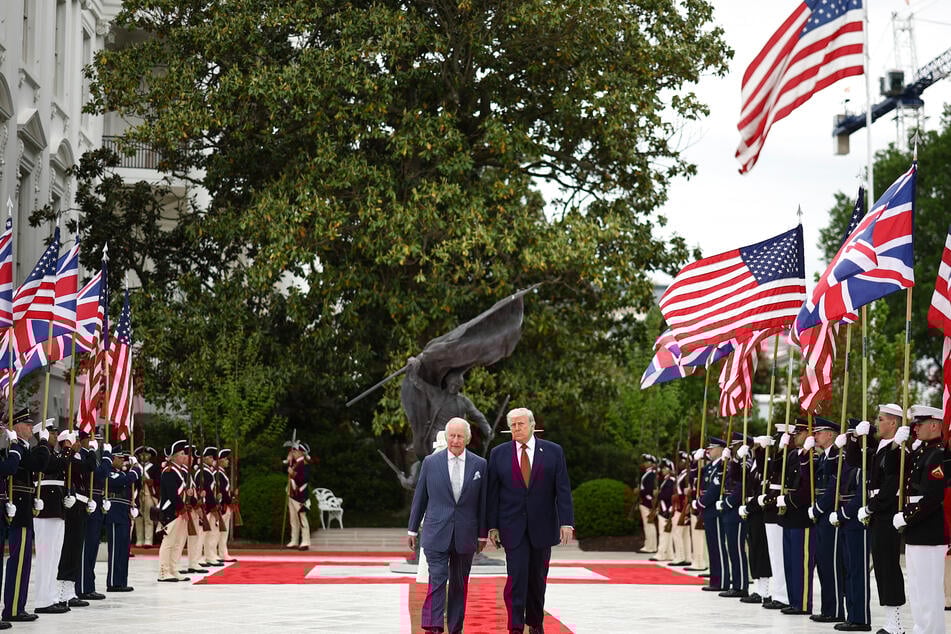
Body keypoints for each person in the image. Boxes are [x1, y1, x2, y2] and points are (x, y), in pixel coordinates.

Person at [486, 407, 573, 634]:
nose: (516, 428)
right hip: (512, 528)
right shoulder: (498, 454)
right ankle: (515, 626)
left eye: (520, 424)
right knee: (516, 579)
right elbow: (492, 493)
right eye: (512, 425)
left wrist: (567, 522)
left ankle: (535, 623)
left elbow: (562, 490)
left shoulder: (553, 452)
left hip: (543, 527)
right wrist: (492, 526)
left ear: (532, 425)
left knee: (537, 580)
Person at [407, 418, 487, 633]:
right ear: (446, 437)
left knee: (460, 585)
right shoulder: (431, 463)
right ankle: (433, 627)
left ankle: (455, 628)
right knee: (438, 578)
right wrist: (412, 529)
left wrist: (482, 535)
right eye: (452, 435)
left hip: (466, 534)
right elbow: (420, 498)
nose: (455, 440)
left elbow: (483, 503)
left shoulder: (480, 465)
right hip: (436, 532)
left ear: (467, 439)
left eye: (460, 436)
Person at [893, 405, 946, 634]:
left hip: (929, 531)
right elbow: (895, 471)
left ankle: (931, 630)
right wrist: (897, 446)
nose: (915, 428)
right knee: (916, 587)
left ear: (934, 425)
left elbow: (934, 497)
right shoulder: (922, 452)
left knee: (929, 590)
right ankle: (921, 628)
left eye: (919, 424)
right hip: (917, 530)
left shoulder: (938, 455)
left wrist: (907, 516)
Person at [855, 404, 906, 634]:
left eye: (880, 418)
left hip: (886, 511)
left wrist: (871, 507)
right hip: (878, 511)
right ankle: (889, 622)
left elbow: (891, 485)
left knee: (889, 567)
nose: (876, 422)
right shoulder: (881, 446)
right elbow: (855, 461)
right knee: (882, 568)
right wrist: (857, 438)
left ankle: (896, 624)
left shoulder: (898, 448)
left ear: (893, 423)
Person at [3, 409, 51, 623]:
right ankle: (13, 608)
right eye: (28, 425)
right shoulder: (11, 447)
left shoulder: (21, 447)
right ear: (16, 427)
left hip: (24, 505)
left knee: (24, 562)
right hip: (17, 507)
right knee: (18, 561)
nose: (32, 428)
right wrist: (43, 444)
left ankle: (18, 606)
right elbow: (37, 464)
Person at [807, 416, 845, 624]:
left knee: (832, 564)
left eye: (819, 432)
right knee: (822, 563)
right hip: (820, 516)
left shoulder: (838, 455)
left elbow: (834, 487)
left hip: (830, 515)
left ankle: (837, 610)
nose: (815, 436)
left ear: (830, 434)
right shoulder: (823, 456)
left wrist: (819, 508)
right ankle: (828, 608)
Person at [33, 425, 71, 615]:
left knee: (54, 555)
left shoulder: (51, 453)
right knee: (46, 557)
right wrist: (67, 448)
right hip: (46, 508)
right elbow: (55, 466)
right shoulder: (42, 453)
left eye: (56, 433)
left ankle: (51, 596)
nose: (55, 436)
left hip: (56, 507)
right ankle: (42, 599)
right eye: (52, 433)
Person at [55, 429, 95, 610]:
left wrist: (88, 499)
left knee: (76, 549)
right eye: (76, 440)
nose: (80, 443)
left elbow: (90, 471)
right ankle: (63, 592)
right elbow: (88, 467)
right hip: (71, 507)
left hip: (79, 505)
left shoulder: (76, 458)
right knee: (69, 550)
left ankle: (70, 591)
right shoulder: (67, 458)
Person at [76, 430, 112, 601]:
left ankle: (89, 585)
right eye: (93, 439)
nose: (96, 443)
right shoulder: (82, 456)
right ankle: (82, 586)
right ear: (83, 440)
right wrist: (107, 456)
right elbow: (100, 474)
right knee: (86, 548)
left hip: (96, 503)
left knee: (92, 549)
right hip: (86, 505)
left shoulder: (91, 456)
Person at [695, 437, 727, 592]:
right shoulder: (709, 467)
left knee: (718, 547)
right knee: (712, 547)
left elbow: (715, 488)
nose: (709, 451)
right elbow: (696, 479)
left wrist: (701, 503)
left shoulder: (723, 465)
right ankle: (715, 579)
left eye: (712, 448)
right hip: (708, 512)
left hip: (715, 511)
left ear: (721, 449)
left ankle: (721, 581)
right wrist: (696, 463)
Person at [105, 450, 140, 592]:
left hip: (124, 512)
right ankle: (113, 582)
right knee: (115, 550)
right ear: (113, 458)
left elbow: (133, 483)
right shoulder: (110, 472)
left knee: (124, 550)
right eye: (119, 458)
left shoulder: (124, 473)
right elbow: (122, 481)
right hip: (114, 513)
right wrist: (136, 468)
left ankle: (121, 581)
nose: (122, 461)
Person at [157, 440, 191, 582]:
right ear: (174, 457)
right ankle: (164, 572)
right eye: (182, 454)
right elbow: (172, 494)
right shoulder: (169, 472)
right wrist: (182, 509)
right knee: (169, 542)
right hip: (171, 511)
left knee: (178, 543)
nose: (185, 456)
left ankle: (173, 569)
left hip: (179, 511)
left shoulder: (180, 472)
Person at [197, 447, 223, 567]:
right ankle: (199, 558)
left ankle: (210, 555)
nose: (212, 459)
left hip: (210, 505)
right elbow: (206, 490)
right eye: (210, 457)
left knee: (210, 534)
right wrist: (213, 507)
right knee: (202, 534)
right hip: (206, 506)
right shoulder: (203, 472)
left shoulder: (208, 471)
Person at [286, 442, 312, 551]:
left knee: (302, 519)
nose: (294, 453)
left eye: (296, 451)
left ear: (301, 453)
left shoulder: (305, 464)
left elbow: (304, 479)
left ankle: (305, 541)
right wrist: (289, 463)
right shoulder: (294, 463)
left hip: (301, 495)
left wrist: (293, 474)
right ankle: (294, 540)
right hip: (292, 494)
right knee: (293, 519)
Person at [133, 446, 159, 548]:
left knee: (148, 517)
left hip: (149, 493)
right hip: (137, 494)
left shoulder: (154, 467)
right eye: (142, 454)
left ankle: (148, 540)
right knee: (138, 517)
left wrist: (149, 481)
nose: (144, 456)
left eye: (147, 454)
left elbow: (158, 481)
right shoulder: (136, 467)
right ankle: (139, 539)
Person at [215, 448, 237, 562]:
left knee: (223, 532)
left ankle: (223, 553)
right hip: (223, 506)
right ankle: (220, 553)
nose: (227, 461)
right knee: (220, 532)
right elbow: (222, 491)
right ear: (220, 460)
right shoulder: (218, 473)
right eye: (225, 459)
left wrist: (232, 495)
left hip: (225, 505)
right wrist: (230, 501)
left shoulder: (221, 473)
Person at [652, 458, 675, 563]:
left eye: (664, 468)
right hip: (664, 509)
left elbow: (668, 495)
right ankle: (669, 553)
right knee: (666, 533)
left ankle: (661, 553)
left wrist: (658, 494)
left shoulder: (670, 481)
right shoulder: (666, 480)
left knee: (664, 533)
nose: (662, 470)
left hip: (666, 510)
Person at [637, 454, 659, 554]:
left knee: (649, 525)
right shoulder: (648, 473)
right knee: (648, 525)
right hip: (646, 501)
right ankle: (650, 545)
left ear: (651, 463)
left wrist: (640, 492)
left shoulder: (651, 475)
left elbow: (649, 490)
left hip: (647, 502)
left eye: (646, 462)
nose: (644, 463)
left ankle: (650, 546)